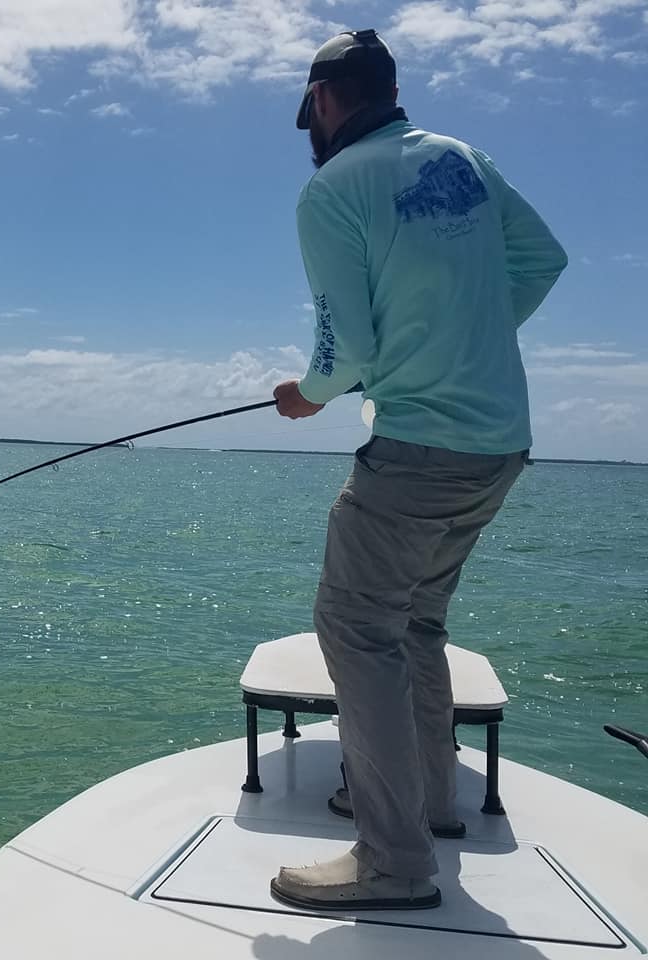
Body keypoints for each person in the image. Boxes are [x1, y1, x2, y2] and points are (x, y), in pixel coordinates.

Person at [270, 29, 567, 911]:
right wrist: (460, 334)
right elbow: (543, 261)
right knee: (416, 626)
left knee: (355, 630)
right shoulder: (462, 158)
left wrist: (310, 392)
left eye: (307, 118)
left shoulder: (329, 190)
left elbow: (343, 346)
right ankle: (430, 802)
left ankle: (394, 860)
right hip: (499, 446)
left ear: (326, 101)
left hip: (415, 452)